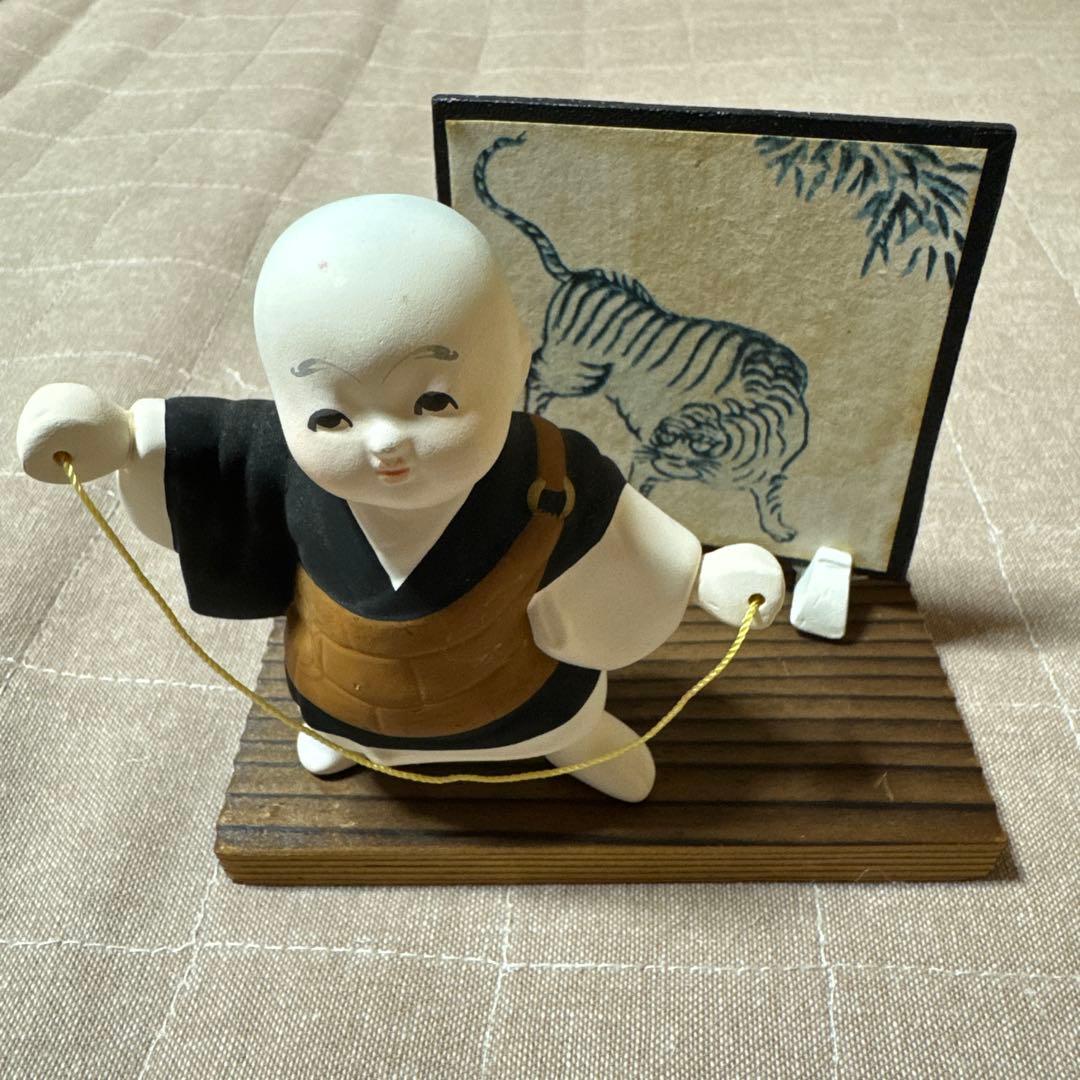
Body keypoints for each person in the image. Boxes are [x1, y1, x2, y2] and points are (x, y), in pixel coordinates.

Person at [17, 194, 784, 802]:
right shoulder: (278, 460)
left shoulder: (552, 467)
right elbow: (201, 452)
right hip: (344, 687)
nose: (383, 443)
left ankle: (572, 739)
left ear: (516, 357)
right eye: (330, 416)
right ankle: (344, 734)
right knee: (339, 708)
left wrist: (701, 576)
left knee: (561, 718)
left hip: (528, 695)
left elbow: (627, 536)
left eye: (433, 401)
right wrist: (121, 440)